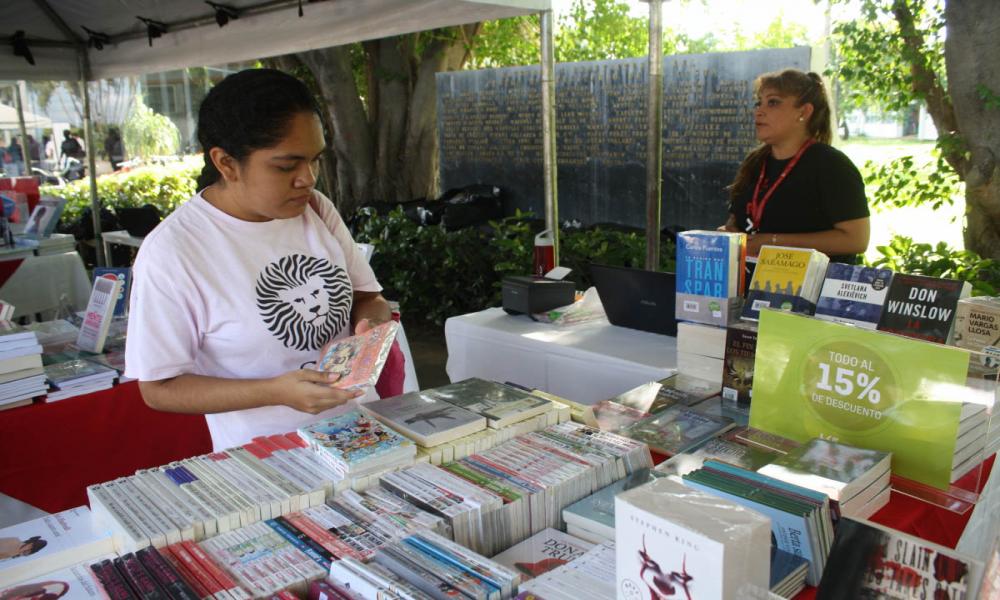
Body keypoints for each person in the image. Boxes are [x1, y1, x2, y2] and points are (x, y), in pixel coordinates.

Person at [123, 69, 391, 452]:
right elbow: (159, 388)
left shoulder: (316, 209)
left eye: (315, 160)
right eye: (286, 166)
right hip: (267, 457)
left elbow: (370, 297)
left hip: (363, 433)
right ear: (227, 163)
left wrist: (370, 330)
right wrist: (274, 391)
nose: (308, 179)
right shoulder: (174, 252)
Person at [720, 69, 870, 264]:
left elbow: (856, 239)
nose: (759, 111)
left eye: (772, 102)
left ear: (804, 112)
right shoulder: (755, 163)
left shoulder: (831, 165)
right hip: (751, 286)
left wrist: (773, 242)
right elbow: (737, 219)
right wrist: (730, 234)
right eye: (759, 102)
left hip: (814, 291)